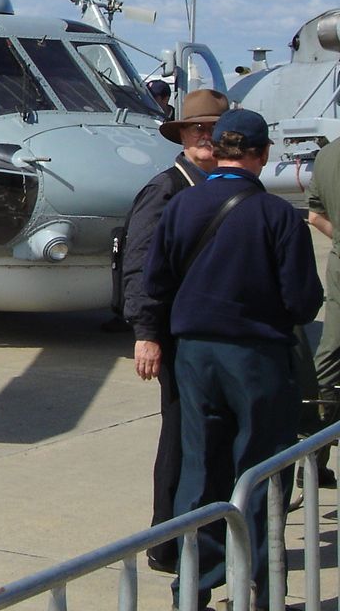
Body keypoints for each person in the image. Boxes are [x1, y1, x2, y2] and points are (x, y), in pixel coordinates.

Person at [138, 109, 323, 610]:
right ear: (262, 155)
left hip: (194, 357)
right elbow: (304, 302)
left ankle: (193, 588)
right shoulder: (280, 217)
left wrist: (149, 334)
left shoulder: (181, 207)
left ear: (216, 149)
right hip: (256, 357)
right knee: (260, 472)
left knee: (199, 470)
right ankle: (259, 587)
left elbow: (155, 282)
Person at [121, 88, 229, 573]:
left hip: (207, 333)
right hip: (175, 335)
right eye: (197, 129)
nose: (205, 137)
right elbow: (140, 265)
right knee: (180, 439)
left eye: (213, 129)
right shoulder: (167, 189)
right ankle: (165, 540)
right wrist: (146, 331)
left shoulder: (216, 188)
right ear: (182, 135)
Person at [306, 137, 340, 487]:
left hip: (339, 266)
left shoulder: (328, 155)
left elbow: (315, 215)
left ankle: (314, 455)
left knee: (330, 357)